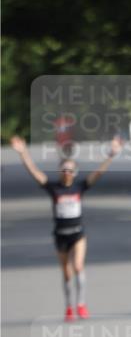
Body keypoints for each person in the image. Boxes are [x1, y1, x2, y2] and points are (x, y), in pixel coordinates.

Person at [10, 134, 123, 320]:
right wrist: (23, 153)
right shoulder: (53, 188)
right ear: (59, 171)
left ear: (75, 173)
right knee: (67, 273)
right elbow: (34, 172)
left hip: (78, 234)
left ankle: (81, 304)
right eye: (64, 170)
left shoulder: (80, 187)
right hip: (60, 236)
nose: (67, 173)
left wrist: (111, 155)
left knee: (78, 267)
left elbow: (99, 173)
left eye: (70, 170)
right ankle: (69, 306)